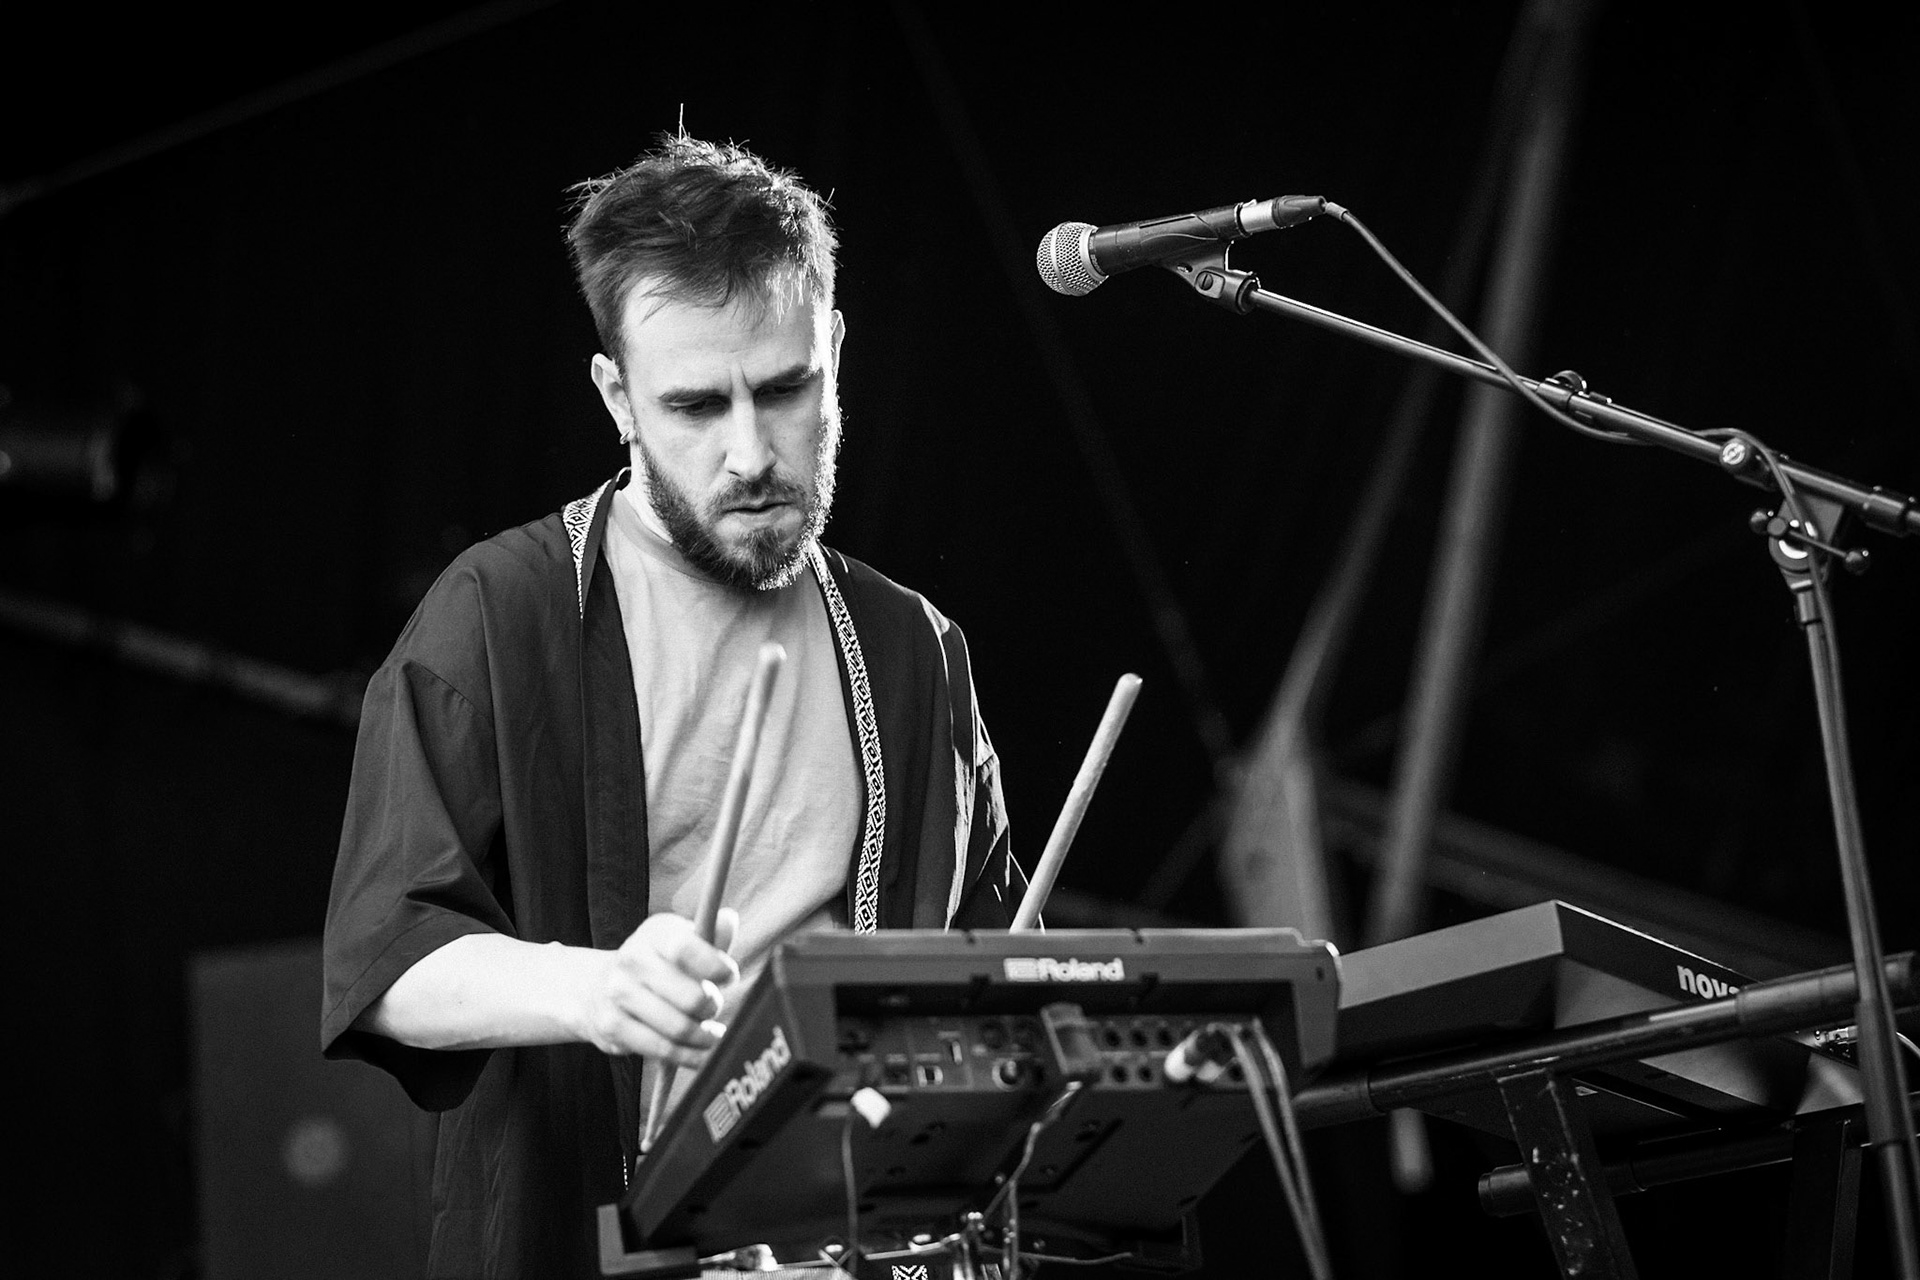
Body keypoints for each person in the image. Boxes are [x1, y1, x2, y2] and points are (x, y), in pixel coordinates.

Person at [320, 132, 1021, 1279]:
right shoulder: (500, 613)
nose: (752, 451)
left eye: (786, 388)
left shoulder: (913, 646)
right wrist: (595, 987)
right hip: (608, 1243)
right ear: (617, 396)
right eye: (696, 405)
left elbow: (999, 969)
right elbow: (384, 961)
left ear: (835, 350)